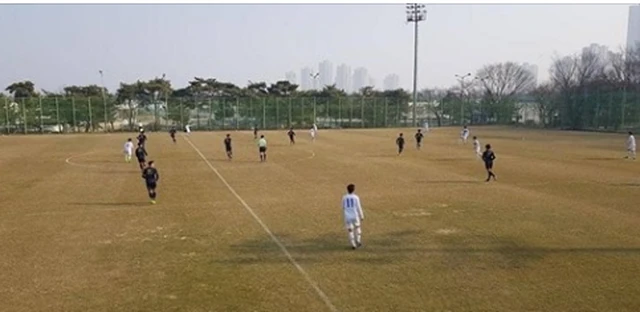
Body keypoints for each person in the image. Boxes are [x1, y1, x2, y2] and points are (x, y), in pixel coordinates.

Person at [342, 184, 364, 250]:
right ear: (354, 190)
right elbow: (359, 207)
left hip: (347, 216)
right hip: (355, 215)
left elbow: (343, 206)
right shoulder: (356, 197)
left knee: (350, 230)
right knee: (358, 227)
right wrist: (362, 215)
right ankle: (358, 240)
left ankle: (353, 244)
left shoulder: (344, 197)